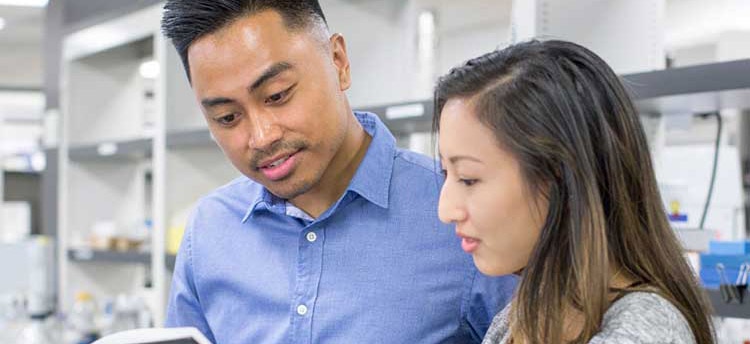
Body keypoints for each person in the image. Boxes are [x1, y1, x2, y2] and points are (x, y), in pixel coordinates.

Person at [160, 1, 517, 343]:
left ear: (339, 61)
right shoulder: (210, 228)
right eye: (227, 118)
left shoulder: (459, 216)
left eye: (277, 95)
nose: (261, 137)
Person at [434, 40, 715, 343]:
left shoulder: (645, 330)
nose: (445, 210)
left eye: (468, 179)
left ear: (560, 177)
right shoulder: (524, 315)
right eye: (445, 173)